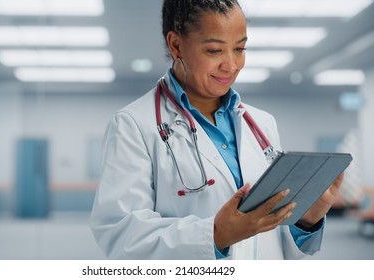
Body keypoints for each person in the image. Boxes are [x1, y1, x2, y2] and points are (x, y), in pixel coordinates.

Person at [89, 0, 343, 260]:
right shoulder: (134, 124)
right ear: (176, 45)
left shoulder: (263, 124)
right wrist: (215, 234)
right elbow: (122, 237)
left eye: (240, 48)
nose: (231, 65)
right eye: (214, 51)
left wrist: (305, 220)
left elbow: (271, 243)